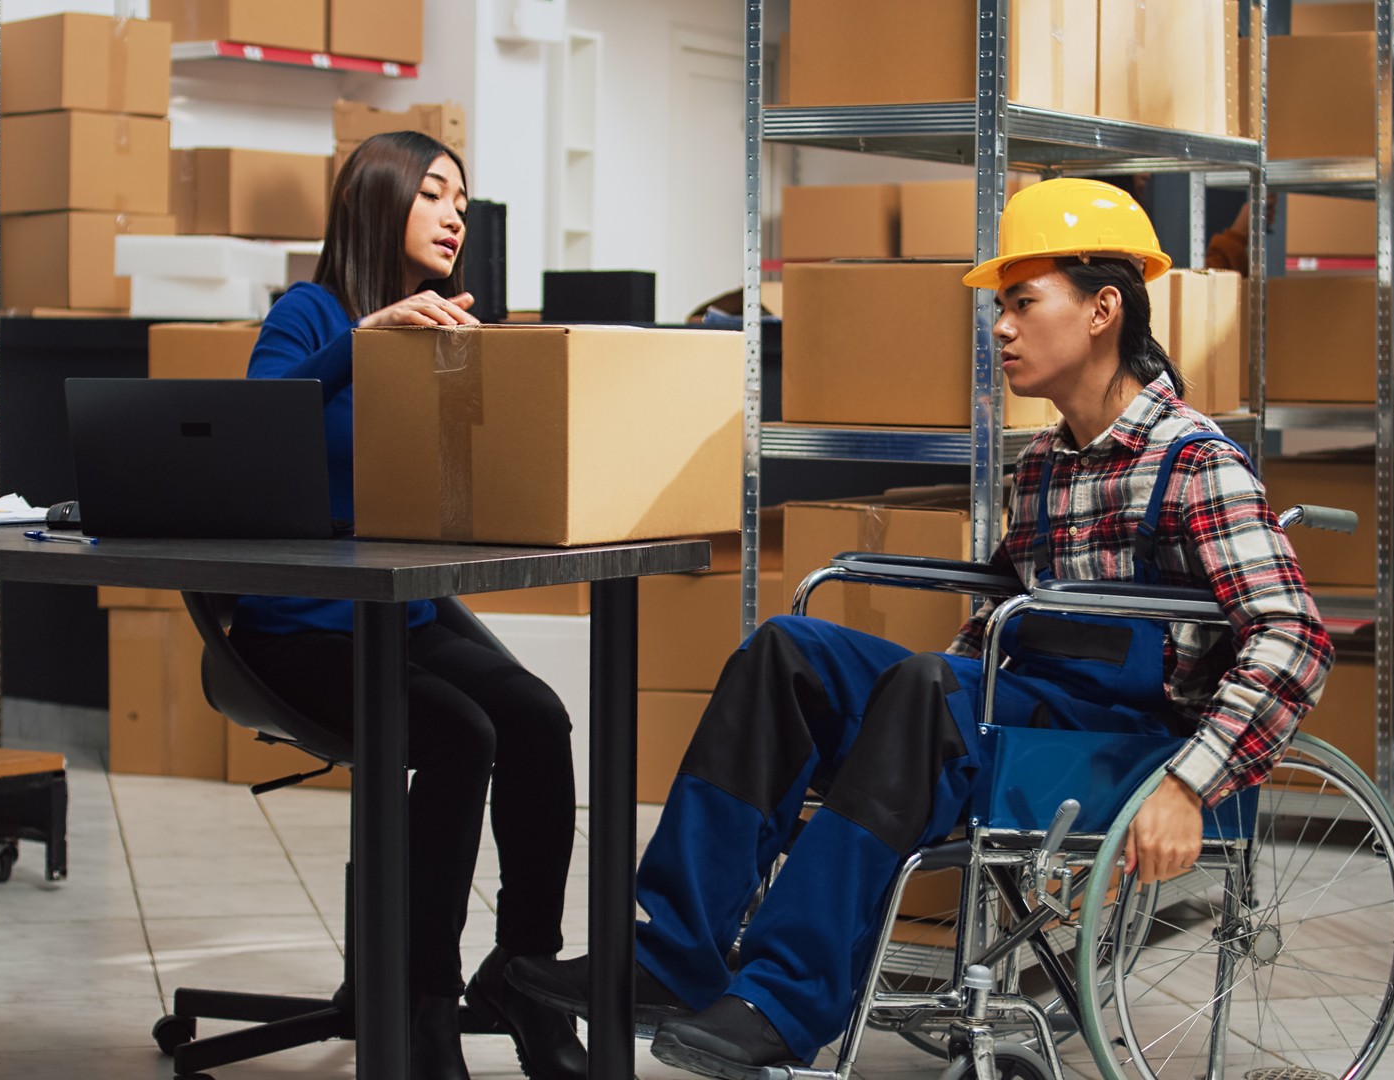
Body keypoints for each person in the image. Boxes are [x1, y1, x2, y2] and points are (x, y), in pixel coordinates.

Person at [507, 178, 1333, 1080]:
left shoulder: (1196, 463)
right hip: (1021, 710)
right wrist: (931, 687)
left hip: (1122, 744)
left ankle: (782, 1003)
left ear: (1104, 309)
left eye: (1023, 303)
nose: (1002, 328)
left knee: (924, 692)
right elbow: (1006, 620)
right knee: (789, 651)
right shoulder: (1046, 465)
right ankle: (675, 954)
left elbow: (1293, 640)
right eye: (1000, 308)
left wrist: (1187, 786)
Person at [231, 131, 586, 1080]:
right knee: (459, 736)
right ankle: (423, 1000)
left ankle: (527, 971)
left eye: (462, 200)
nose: (454, 214)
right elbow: (257, 428)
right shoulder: (309, 314)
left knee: (538, 719)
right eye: (434, 193)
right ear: (378, 201)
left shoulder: (441, 330)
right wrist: (364, 341)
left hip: (407, 619)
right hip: (300, 629)